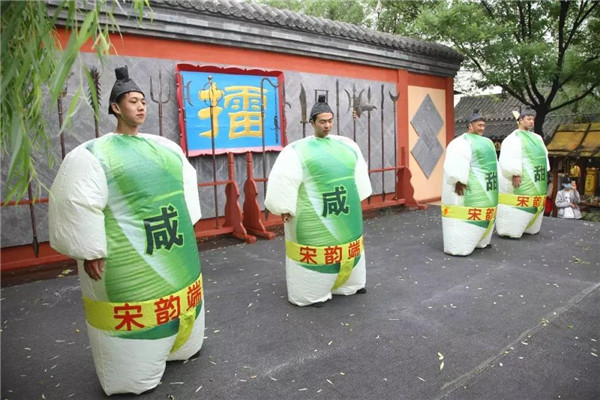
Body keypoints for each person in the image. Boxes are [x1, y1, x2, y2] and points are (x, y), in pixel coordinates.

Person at [48, 66, 205, 395]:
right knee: (133, 338)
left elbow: (186, 196)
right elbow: (78, 201)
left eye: (143, 101)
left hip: (174, 250)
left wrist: (188, 230)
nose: (141, 106)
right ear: (116, 108)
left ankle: (182, 343)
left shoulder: (167, 148)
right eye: (133, 101)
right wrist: (89, 249)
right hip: (126, 264)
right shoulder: (93, 155)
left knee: (184, 316)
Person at [264, 95, 372, 306]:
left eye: (330, 121)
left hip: (345, 212)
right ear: (312, 122)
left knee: (349, 249)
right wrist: (284, 207)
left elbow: (359, 179)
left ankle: (351, 284)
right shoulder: (296, 151)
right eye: (322, 121)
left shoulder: (348, 145)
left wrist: (358, 198)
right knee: (316, 259)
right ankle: (313, 293)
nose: (327, 125)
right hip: (313, 218)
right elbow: (285, 179)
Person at [441, 109, 498, 256]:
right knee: (464, 214)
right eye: (479, 125)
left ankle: (481, 241)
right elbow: (457, 163)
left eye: (483, 125)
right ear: (470, 125)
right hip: (466, 187)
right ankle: (459, 246)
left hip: (486, 188)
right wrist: (458, 180)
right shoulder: (461, 142)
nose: (482, 128)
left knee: (484, 210)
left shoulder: (488, 142)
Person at [496, 108, 550, 238]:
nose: (531, 122)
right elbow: (510, 157)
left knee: (534, 203)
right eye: (528, 119)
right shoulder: (513, 138)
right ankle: (511, 229)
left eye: (533, 119)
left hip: (537, 180)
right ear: (521, 120)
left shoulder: (537, 138)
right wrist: (515, 172)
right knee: (517, 206)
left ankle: (531, 226)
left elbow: (544, 156)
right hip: (520, 180)